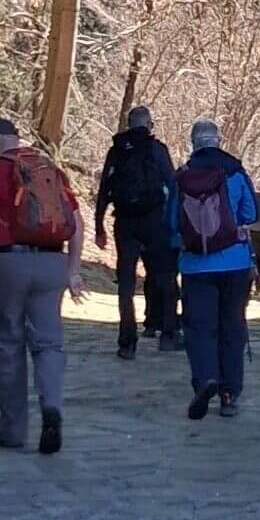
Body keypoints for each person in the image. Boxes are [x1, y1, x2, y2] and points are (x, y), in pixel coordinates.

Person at [0, 117, 85, 454]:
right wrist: (73, 270)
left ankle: (12, 430)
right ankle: (52, 407)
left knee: (9, 343)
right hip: (52, 263)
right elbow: (76, 223)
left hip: (8, 264)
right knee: (49, 343)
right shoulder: (49, 169)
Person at [174, 117, 258, 420]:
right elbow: (251, 212)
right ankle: (229, 393)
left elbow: (171, 223)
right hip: (235, 264)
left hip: (195, 266)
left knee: (199, 327)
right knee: (232, 326)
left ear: (193, 143)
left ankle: (206, 379)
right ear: (218, 140)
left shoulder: (182, 176)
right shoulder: (234, 171)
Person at [94, 103, 179, 356]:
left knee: (126, 283)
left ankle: (127, 341)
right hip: (155, 221)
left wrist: (99, 226)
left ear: (128, 125)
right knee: (164, 277)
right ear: (149, 125)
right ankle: (168, 334)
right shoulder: (157, 149)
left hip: (125, 222)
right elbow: (172, 185)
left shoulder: (117, 150)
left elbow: (104, 189)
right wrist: (174, 222)